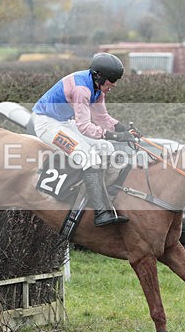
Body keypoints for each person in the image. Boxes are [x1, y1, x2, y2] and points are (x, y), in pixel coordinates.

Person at [32, 52, 139, 226]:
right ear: (99, 76)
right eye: (112, 79)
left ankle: (104, 196)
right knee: (89, 157)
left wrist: (125, 130)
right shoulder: (82, 90)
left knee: (107, 149)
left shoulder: (97, 88)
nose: (114, 84)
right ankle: (100, 212)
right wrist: (115, 136)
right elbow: (84, 127)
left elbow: (102, 118)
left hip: (64, 122)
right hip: (47, 124)